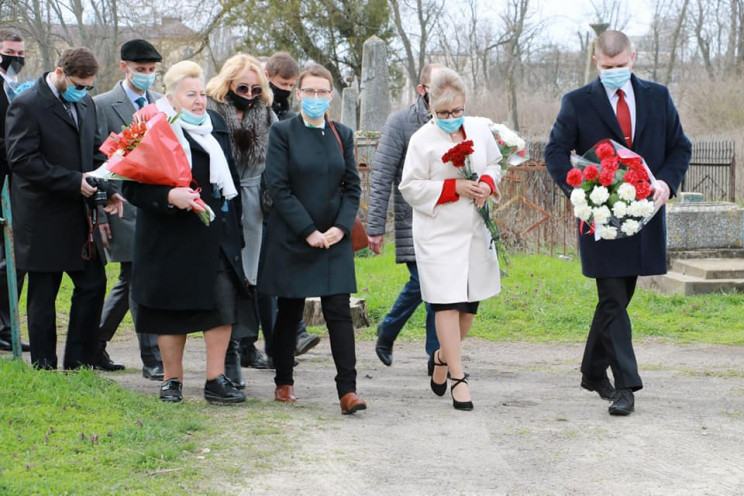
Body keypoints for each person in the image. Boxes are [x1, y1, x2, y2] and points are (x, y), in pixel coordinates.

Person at [544, 30, 691, 416]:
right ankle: (626, 385)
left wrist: (665, 181)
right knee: (611, 298)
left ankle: (592, 371)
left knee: (618, 300)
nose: (614, 72)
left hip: (644, 217)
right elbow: (555, 151)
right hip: (600, 220)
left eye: (621, 66)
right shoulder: (577, 102)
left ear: (633, 58)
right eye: (607, 67)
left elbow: (681, 146)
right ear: (596, 62)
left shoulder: (658, 97)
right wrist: (578, 191)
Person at [123, 61, 246, 404]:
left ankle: (215, 379)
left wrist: (235, 229)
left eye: (202, 94)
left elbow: (230, 179)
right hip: (168, 236)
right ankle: (171, 379)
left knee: (221, 306)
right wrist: (168, 196)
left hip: (213, 234)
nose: (199, 101)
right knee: (171, 311)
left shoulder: (215, 124)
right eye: (190, 94)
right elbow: (130, 188)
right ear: (171, 96)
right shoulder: (147, 124)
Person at [5, 47, 124, 370]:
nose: (83, 92)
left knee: (93, 284)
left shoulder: (84, 103)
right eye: (78, 84)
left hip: (79, 216)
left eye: (89, 87)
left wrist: (108, 188)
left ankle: (79, 361)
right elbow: (22, 160)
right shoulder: (26, 105)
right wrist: (72, 181)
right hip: (42, 215)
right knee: (44, 291)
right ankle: (44, 364)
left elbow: (96, 152)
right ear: (60, 73)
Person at [259, 64, 366, 414]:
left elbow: (352, 186)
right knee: (290, 310)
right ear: (299, 93)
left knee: (338, 310)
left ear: (331, 95)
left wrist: (338, 228)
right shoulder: (283, 133)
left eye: (323, 92)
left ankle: (347, 391)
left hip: (334, 236)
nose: (316, 98)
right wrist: (309, 231)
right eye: (310, 91)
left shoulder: (343, 134)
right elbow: (278, 186)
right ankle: (284, 381)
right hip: (293, 234)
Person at [399, 67, 502, 411]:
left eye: (456, 111)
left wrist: (487, 182)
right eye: (442, 113)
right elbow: (410, 187)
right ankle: (459, 378)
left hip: (473, 229)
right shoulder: (421, 140)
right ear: (430, 106)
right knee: (445, 301)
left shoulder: (478, 129)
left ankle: (443, 356)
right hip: (438, 232)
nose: (451, 118)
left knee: (469, 306)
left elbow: (495, 164)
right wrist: (453, 187)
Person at [93, 39, 164, 379]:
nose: (147, 76)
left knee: (130, 278)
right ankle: (152, 357)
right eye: (141, 71)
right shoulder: (102, 105)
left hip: (152, 201)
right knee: (137, 276)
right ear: (124, 67)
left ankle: (96, 340)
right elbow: (96, 155)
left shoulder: (160, 104)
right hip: (119, 200)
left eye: (152, 71)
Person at [367, 63, 443, 372]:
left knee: (438, 290)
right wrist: (374, 228)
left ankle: (434, 357)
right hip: (413, 220)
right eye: (437, 88)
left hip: (446, 220)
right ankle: (389, 330)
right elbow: (382, 174)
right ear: (421, 90)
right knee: (424, 282)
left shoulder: (457, 120)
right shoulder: (400, 122)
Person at [206, 53, 276, 384]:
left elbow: (273, 159)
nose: (249, 94)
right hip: (220, 200)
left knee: (250, 279)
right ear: (229, 82)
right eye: (243, 87)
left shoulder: (266, 113)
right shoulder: (210, 111)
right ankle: (227, 352)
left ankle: (243, 344)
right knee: (224, 278)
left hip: (253, 202)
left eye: (255, 88)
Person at [260, 51, 320, 361]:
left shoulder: (290, 110)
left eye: (292, 84)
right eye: (282, 83)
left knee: (290, 272)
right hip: (267, 200)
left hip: (291, 200)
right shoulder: (262, 106)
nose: (286, 88)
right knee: (272, 278)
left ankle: (290, 337)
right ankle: (279, 343)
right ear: (268, 77)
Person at [0, 27, 28, 353]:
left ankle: (7, 327)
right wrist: (20, 148)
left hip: (16, 182)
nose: (15, 59)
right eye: (10, 52)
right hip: (5, 179)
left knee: (12, 260)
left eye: (20, 54)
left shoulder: (15, 86)